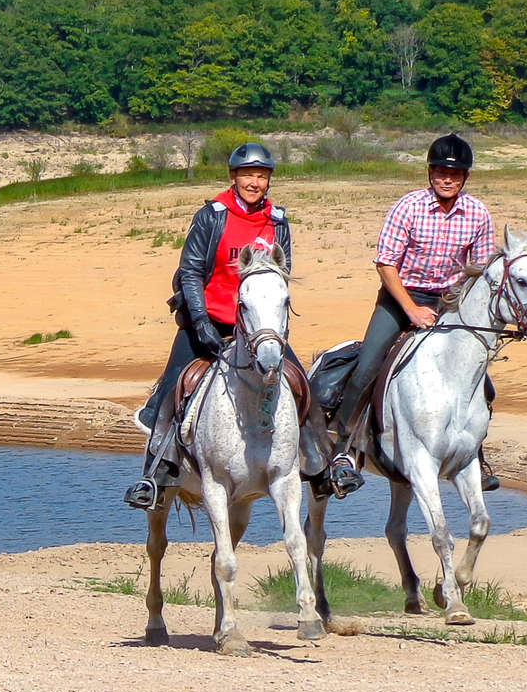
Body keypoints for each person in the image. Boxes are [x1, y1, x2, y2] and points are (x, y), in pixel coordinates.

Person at [325, 133, 496, 497]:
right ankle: (343, 450)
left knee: (480, 379)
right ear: (429, 172)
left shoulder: (478, 214)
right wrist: (411, 309)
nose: (446, 178)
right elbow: (386, 264)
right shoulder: (408, 207)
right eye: (439, 171)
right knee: (368, 364)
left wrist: (459, 308)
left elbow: (478, 271)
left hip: (450, 301)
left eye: (454, 173)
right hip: (401, 295)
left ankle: (475, 455)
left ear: (465, 177)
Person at [123, 142, 290, 510]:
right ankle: (154, 475)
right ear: (233, 177)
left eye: (261, 176)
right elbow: (191, 271)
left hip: (259, 327)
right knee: (170, 390)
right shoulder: (212, 215)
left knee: (300, 386)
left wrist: (276, 329)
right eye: (248, 175)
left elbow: (282, 277)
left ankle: (320, 464)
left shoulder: (277, 219)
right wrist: (199, 322)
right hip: (211, 318)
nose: (254, 182)